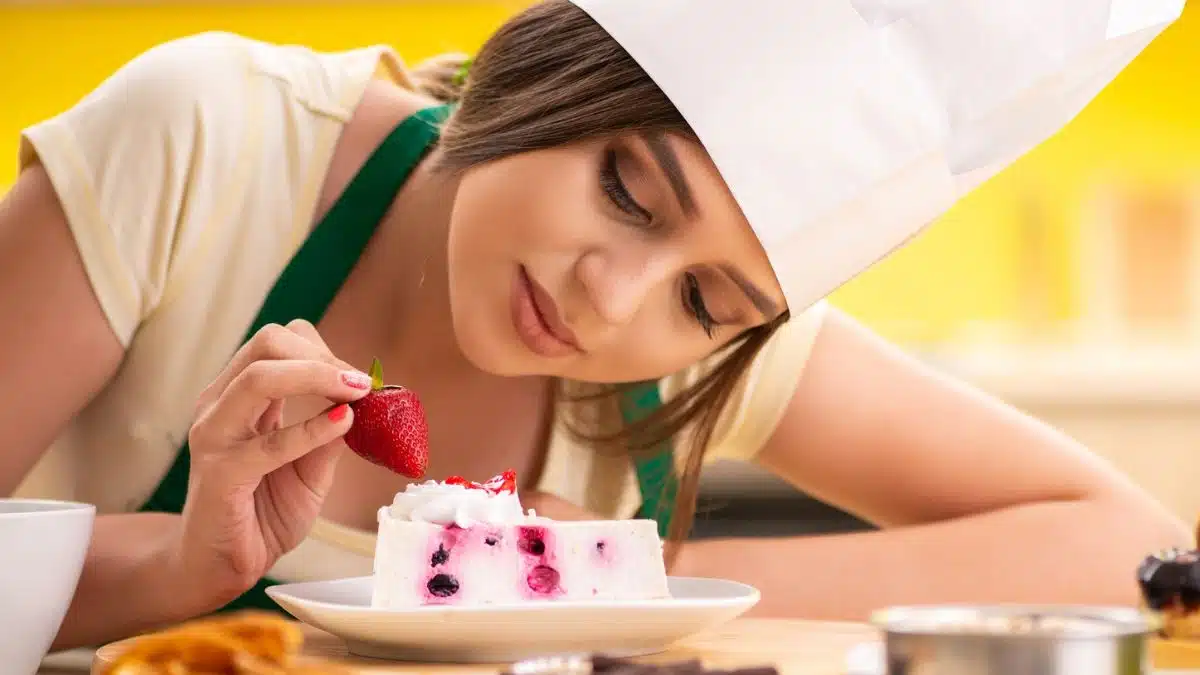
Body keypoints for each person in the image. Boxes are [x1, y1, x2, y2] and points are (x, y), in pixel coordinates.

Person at [0, 0, 1188, 653]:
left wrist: (638, 575)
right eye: (625, 189)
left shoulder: (711, 347)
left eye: (704, 300)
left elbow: (1130, 549)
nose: (611, 301)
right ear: (543, 63)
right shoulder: (207, 140)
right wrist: (178, 564)